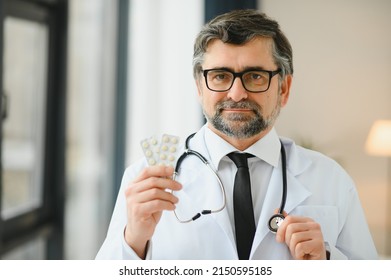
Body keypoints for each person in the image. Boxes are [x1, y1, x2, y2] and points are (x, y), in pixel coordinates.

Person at [96, 9, 377, 260]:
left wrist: (327, 263)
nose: (237, 93)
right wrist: (133, 239)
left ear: (284, 88)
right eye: (220, 76)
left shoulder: (331, 178)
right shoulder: (144, 179)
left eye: (255, 76)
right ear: (199, 87)